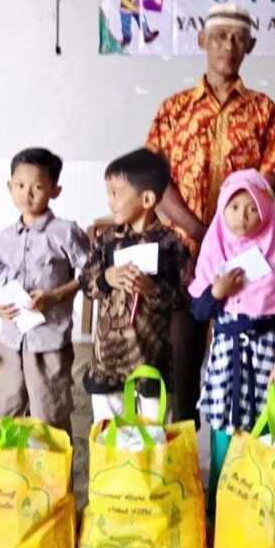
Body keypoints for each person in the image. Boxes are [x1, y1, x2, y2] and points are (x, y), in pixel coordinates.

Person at [146, 2, 275, 424]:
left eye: (237, 38)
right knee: (182, 351)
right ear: (201, 41)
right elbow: (156, 178)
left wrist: (233, 234)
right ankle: (184, 451)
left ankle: (243, 448)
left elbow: (271, 180)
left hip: (248, 258)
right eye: (219, 37)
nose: (228, 46)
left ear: (250, 45)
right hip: (182, 248)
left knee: (247, 350)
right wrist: (202, 233)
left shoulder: (264, 111)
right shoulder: (174, 109)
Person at [188, 169, 275, 519]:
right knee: (224, 431)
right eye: (234, 207)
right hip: (227, 353)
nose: (242, 217)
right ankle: (220, 510)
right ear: (222, 209)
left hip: (265, 356)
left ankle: (259, 509)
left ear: (266, 211)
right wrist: (217, 293)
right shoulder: (214, 249)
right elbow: (199, 309)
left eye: (252, 209)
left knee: (265, 430)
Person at [80, 148, 192, 422]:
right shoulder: (106, 240)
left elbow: (185, 299)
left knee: (151, 440)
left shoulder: (171, 245)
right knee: (108, 439)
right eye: (108, 193)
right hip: (108, 361)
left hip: (150, 361)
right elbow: (85, 283)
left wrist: (151, 289)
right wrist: (107, 278)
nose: (110, 202)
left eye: (116, 193)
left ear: (148, 198)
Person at [0, 148, 89, 435]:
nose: (27, 194)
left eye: (37, 186)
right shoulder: (5, 238)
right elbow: (3, 278)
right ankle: (10, 476)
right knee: (2, 413)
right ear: (10, 187)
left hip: (48, 341)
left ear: (55, 190)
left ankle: (58, 477)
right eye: (20, 185)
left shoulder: (65, 233)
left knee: (50, 416)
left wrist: (56, 296)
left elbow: (91, 274)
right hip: (11, 340)